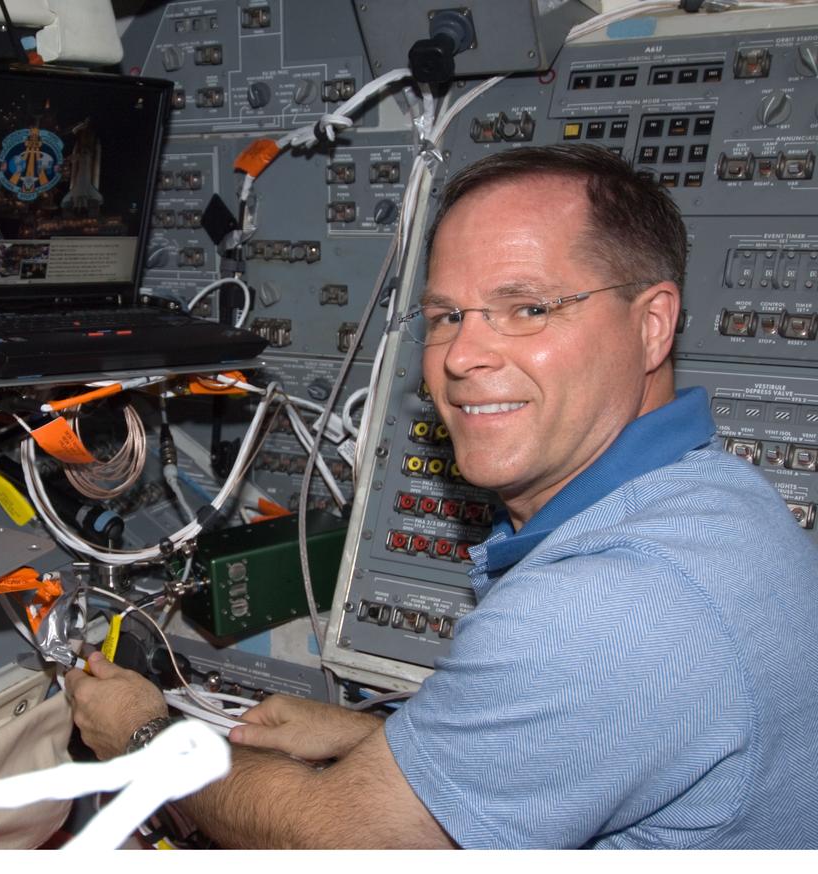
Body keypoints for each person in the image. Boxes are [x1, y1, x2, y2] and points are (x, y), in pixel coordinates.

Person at [65, 144, 818, 849]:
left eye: (528, 308)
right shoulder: (718, 496)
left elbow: (343, 842)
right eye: (447, 316)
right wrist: (376, 739)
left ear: (652, 325)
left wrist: (144, 738)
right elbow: (616, 736)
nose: (461, 356)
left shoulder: (603, 607)